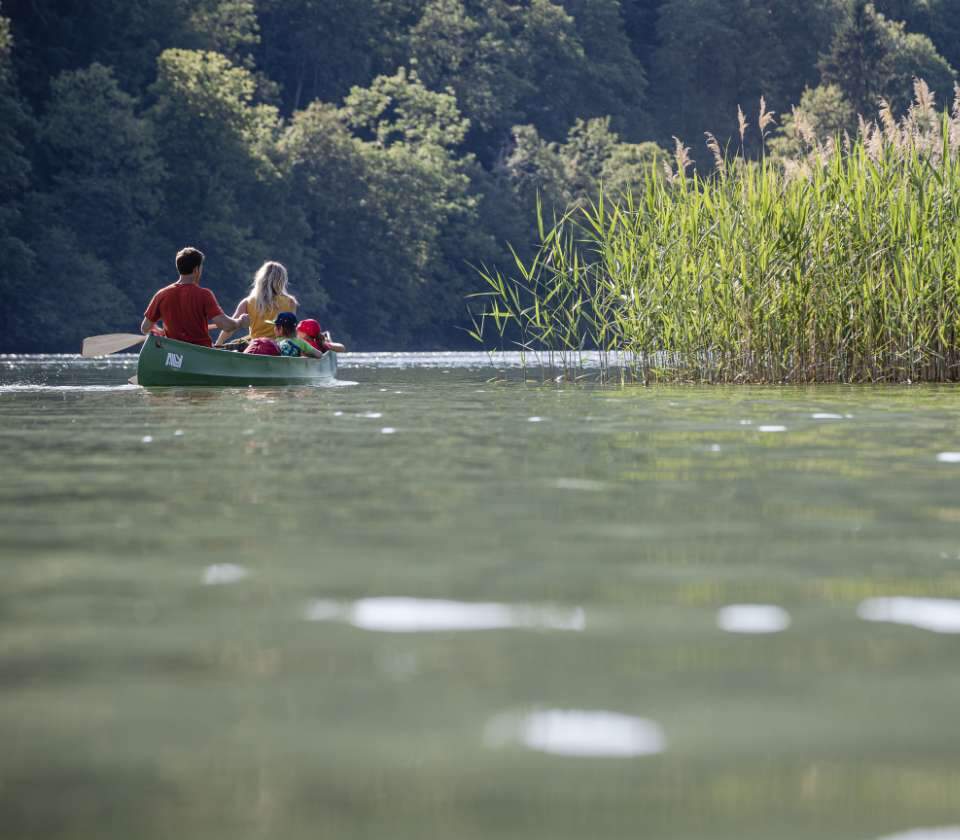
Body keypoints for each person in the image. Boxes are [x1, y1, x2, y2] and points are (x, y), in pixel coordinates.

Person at [141, 247, 247, 347]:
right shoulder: (204, 295)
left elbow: (145, 328)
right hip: (200, 353)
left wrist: (160, 331)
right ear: (196, 269)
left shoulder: (161, 294)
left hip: (173, 352)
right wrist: (240, 321)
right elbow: (226, 325)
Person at [215, 261, 297, 346]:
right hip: (280, 348)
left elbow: (230, 328)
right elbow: (291, 332)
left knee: (235, 343)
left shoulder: (248, 302)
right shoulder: (291, 302)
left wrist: (218, 343)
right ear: (282, 281)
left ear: (260, 279)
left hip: (256, 347)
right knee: (239, 341)